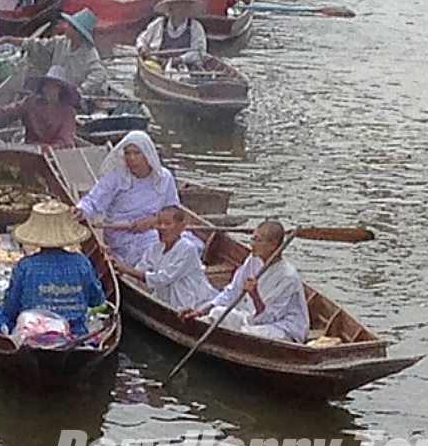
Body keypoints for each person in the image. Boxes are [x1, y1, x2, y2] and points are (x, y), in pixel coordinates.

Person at [0, 200, 105, 337]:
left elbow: (11, 308)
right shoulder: (81, 262)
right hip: (74, 331)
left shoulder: (25, 265)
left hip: (32, 331)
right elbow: (96, 300)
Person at [73, 131, 194, 266]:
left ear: (147, 155)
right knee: (157, 249)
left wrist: (153, 220)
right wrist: (81, 210)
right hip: (122, 234)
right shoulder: (116, 177)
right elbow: (93, 200)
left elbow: (173, 210)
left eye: (137, 153)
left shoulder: (164, 178)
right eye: (128, 153)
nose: (132, 158)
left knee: (189, 245)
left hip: (158, 228)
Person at [180, 220, 310, 342]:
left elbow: (268, 318)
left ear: (273, 245)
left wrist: (255, 295)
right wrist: (202, 311)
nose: (251, 244)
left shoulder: (288, 277)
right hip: (251, 317)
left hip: (282, 327)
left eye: (257, 240)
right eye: (252, 238)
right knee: (217, 312)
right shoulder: (253, 260)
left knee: (247, 333)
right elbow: (231, 292)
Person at [113, 206, 217, 310]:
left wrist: (127, 270)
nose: (162, 228)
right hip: (165, 299)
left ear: (180, 227)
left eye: (167, 224)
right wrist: (120, 270)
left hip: (191, 302)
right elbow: (140, 269)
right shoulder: (155, 248)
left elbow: (163, 278)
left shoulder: (188, 249)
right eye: (159, 223)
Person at [0, 65, 79, 148]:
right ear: (43, 87)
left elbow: (66, 140)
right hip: (29, 150)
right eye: (47, 86)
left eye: (54, 87)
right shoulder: (31, 103)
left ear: (61, 90)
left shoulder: (68, 112)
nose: (49, 90)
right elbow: (5, 113)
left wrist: (48, 148)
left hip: (55, 156)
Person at [19, 8, 107, 95]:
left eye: (70, 26)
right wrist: (12, 41)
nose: (66, 28)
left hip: (70, 93)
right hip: (55, 89)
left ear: (78, 32)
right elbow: (38, 44)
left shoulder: (89, 53)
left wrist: (81, 90)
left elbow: (99, 74)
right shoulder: (61, 42)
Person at [136, 0, 208, 68]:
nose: (181, 9)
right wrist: (143, 48)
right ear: (170, 8)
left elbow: (200, 52)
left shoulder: (195, 27)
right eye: (177, 6)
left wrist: (180, 59)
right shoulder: (159, 23)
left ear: (188, 8)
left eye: (184, 6)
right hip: (157, 64)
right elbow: (141, 39)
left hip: (186, 68)